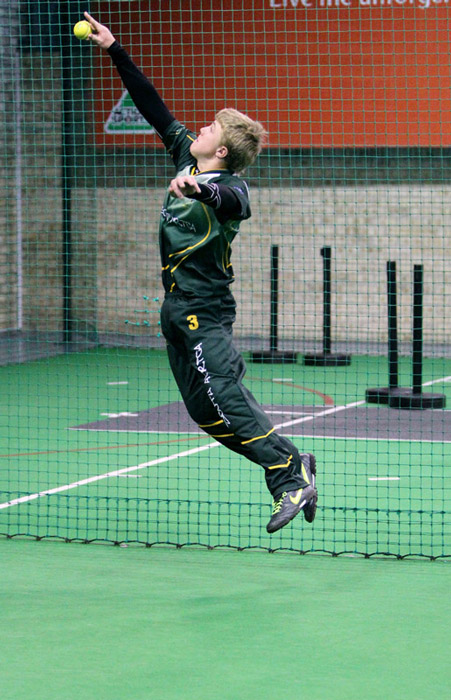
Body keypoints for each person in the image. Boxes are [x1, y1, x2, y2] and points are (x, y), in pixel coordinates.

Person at [85, 12, 318, 533]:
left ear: (222, 151)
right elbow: (152, 105)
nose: (200, 128)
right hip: (175, 310)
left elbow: (230, 201)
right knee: (206, 414)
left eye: (210, 128)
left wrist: (199, 190)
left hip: (204, 312)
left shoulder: (229, 188)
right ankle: (293, 462)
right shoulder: (185, 157)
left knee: (226, 395)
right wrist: (115, 48)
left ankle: (288, 476)